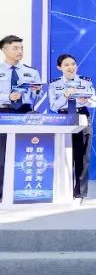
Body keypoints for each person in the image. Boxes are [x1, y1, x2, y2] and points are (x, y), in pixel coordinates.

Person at [48, 54, 96, 200]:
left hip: (82, 117)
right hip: (63, 118)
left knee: (82, 156)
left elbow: (95, 102)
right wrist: (65, 95)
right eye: (66, 65)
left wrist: (86, 101)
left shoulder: (85, 81)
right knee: (64, 155)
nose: (71, 67)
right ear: (59, 67)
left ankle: (80, 193)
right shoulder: (54, 84)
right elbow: (53, 107)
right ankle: (65, 191)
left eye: (73, 64)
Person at [1, 35, 43, 198]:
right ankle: (1, 193)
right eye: (15, 48)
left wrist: (36, 92)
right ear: (4, 49)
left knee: (24, 152)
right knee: (2, 153)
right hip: (3, 112)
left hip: (24, 113)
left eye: (21, 48)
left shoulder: (31, 72)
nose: (19, 51)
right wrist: (8, 97)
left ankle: (21, 190)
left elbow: (38, 96)